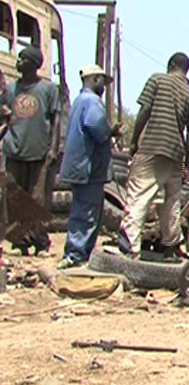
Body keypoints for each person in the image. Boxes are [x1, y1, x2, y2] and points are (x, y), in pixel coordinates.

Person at [118, 52, 189, 259]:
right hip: (176, 152)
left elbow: (144, 110)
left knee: (139, 196)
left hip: (153, 145)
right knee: (171, 202)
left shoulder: (157, 79)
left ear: (170, 65)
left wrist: (134, 142)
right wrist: (186, 167)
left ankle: (129, 247)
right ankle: (171, 247)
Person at [57, 66, 121, 268]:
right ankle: (77, 255)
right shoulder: (93, 102)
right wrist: (112, 131)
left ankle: (77, 253)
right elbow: (97, 129)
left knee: (82, 210)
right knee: (87, 213)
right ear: (94, 79)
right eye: (102, 81)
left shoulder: (79, 100)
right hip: (89, 168)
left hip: (80, 166)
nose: (103, 86)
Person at [3, 47, 59, 256]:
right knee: (15, 198)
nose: (18, 62)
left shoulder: (48, 89)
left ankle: (41, 242)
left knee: (38, 200)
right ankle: (20, 243)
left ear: (34, 64)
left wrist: (53, 149)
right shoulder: (11, 89)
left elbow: (55, 121)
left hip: (39, 152)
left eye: (22, 59)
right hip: (14, 151)